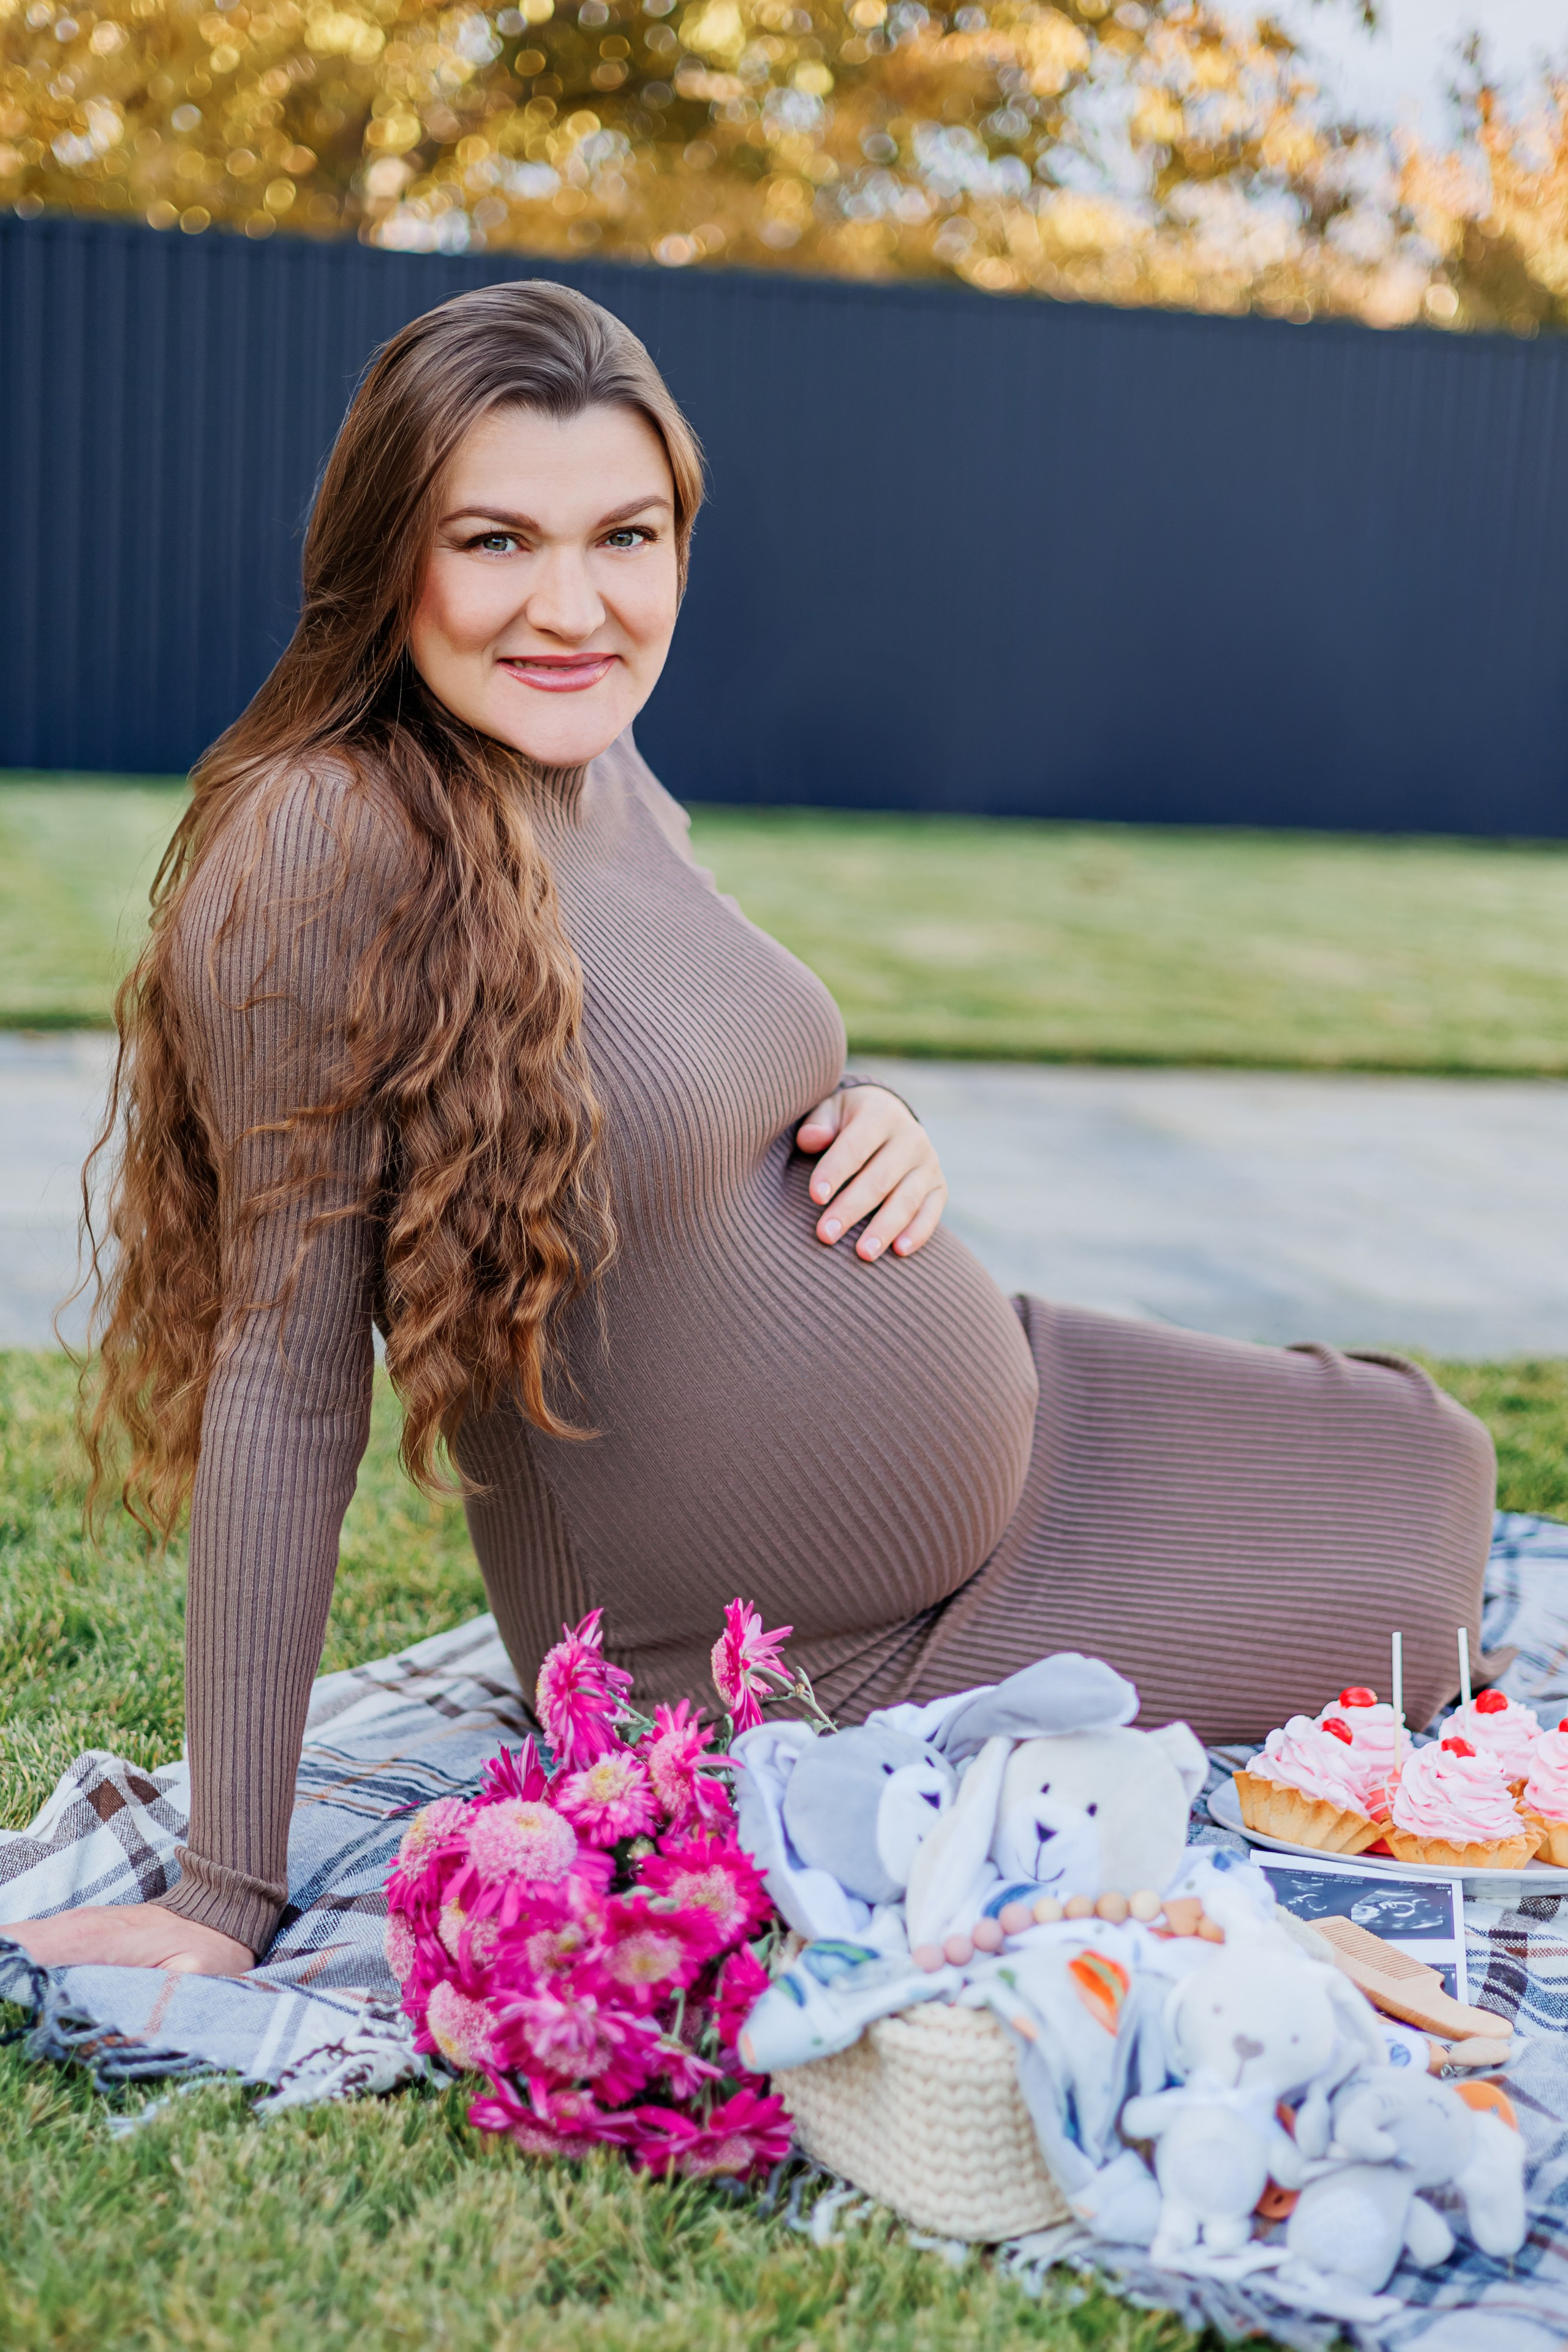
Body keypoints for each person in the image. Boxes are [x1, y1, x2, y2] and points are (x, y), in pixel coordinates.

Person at [11, 282, 1495, 1979]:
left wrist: (874, 1115)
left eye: (624, 537)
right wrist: (223, 1888)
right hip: (810, 1659)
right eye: (495, 541)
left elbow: (716, 1053)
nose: (573, 606)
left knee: (1431, 1447)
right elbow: (285, 1372)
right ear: (386, 559)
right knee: (1420, 1623)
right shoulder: (321, 850)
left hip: (1030, 1416)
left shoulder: (592, 756)